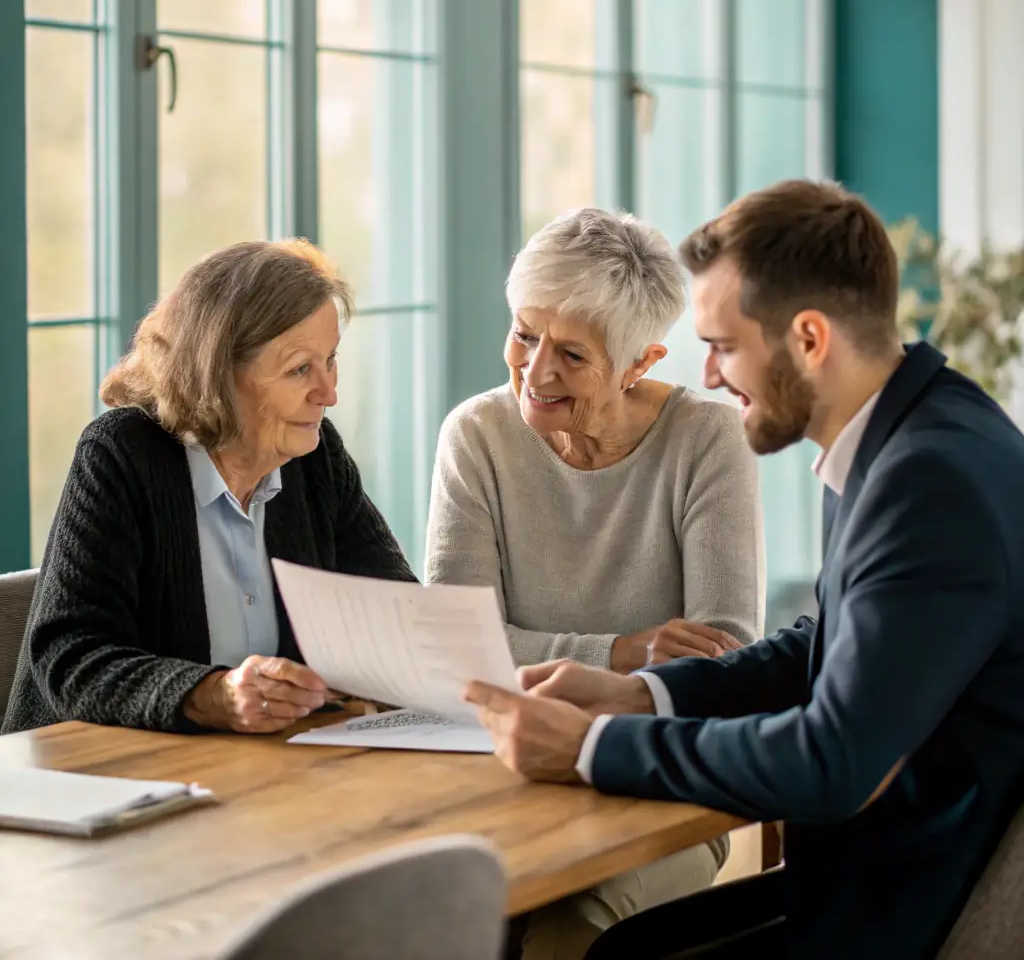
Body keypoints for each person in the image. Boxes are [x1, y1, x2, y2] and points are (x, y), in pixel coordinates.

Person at [465, 180, 1024, 960]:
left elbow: (834, 762)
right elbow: (828, 645)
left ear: (808, 338)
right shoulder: (917, 431)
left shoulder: (928, 481)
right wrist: (640, 692)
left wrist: (591, 745)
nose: (713, 375)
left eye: (725, 346)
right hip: (874, 881)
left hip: (908, 913)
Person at [426, 207, 764, 960]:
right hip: (503, 773)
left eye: (572, 354)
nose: (535, 369)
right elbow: (457, 650)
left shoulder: (708, 441)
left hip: (661, 780)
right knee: (436, 921)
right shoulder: (475, 436)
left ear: (638, 363)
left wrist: (533, 657)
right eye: (524, 331)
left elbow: (725, 658)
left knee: (567, 932)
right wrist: (621, 651)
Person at [4, 239, 416, 738]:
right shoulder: (121, 454)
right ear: (218, 375)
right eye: (299, 369)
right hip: (92, 780)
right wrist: (214, 695)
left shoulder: (315, 456)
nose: (329, 393)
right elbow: (71, 658)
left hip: (258, 770)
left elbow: (395, 609)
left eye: (330, 360)